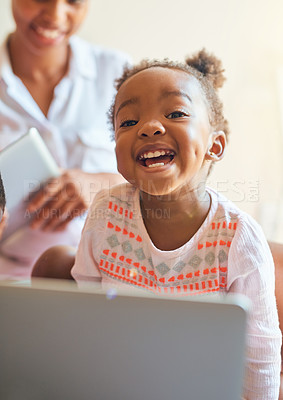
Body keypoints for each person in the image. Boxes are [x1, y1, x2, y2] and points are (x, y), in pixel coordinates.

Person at [70, 50, 282, 399]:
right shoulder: (105, 211)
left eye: (176, 113)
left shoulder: (238, 237)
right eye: (128, 122)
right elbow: (87, 303)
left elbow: (259, 352)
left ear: (215, 145)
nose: (149, 127)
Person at [0, 0, 130, 278]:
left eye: (73, 1)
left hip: (105, 280)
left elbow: (162, 188)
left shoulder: (118, 74)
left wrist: (98, 186)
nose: (55, 16)